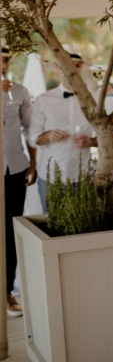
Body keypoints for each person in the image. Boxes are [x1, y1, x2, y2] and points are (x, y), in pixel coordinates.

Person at [29, 53, 97, 212]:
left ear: (81, 69)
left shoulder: (95, 99)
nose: (72, 69)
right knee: (51, 226)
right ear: (58, 69)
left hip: (83, 176)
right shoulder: (43, 100)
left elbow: (109, 135)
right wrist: (47, 135)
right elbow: (33, 138)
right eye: (67, 64)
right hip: (50, 177)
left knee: (84, 226)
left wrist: (92, 142)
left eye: (77, 65)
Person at [1, 47, 36, 316]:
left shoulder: (20, 92)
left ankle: (7, 293)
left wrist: (33, 162)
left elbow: (29, 129)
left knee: (10, 231)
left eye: (4, 59)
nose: (2, 64)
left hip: (15, 170)